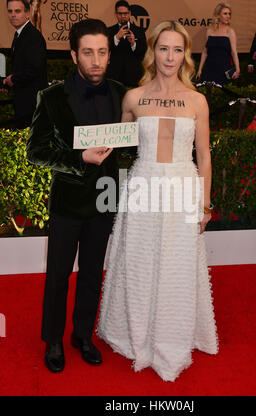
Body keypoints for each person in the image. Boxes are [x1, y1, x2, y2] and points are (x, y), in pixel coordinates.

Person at [97, 20, 219, 382]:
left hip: (182, 189)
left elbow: (204, 156)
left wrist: (205, 204)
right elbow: (119, 143)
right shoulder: (134, 97)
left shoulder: (197, 100)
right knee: (138, 260)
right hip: (142, 188)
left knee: (176, 265)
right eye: (163, 48)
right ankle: (132, 330)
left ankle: (171, 334)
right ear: (154, 52)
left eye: (177, 49)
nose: (170, 56)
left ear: (186, 55)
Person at [27, 18, 126, 373]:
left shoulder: (119, 92)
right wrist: (77, 158)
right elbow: (35, 151)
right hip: (68, 201)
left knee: (92, 273)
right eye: (88, 53)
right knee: (58, 273)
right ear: (73, 55)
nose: (96, 60)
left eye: (102, 52)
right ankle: (53, 338)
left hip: (105, 197)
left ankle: (82, 334)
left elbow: (128, 144)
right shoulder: (51, 97)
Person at [3, 0, 47, 129]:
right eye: (10, 11)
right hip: (23, 101)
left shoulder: (33, 36)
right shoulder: (20, 34)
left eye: (17, 11)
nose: (13, 15)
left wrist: (13, 79)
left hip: (31, 103)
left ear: (27, 13)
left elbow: (34, 69)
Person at [196, 2, 240, 85]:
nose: (228, 16)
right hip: (209, 69)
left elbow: (234, 52)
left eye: (229, 14)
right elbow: (205, 51)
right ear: (218, 15)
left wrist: (238, 69)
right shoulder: (209, 31)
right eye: (225, 14)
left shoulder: (230, 31)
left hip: (224, 70)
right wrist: (200, 69)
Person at [106, 0, 147, 87]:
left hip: (134, 77)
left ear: (129, 13)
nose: (123, 16)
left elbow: (143, 52)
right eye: (120, 14)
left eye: (125, 13)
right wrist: (116, 38)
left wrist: (133, 43)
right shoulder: (109, 31)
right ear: (116, 14)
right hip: (114, 76)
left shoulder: (139, 31)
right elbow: (105, 50)